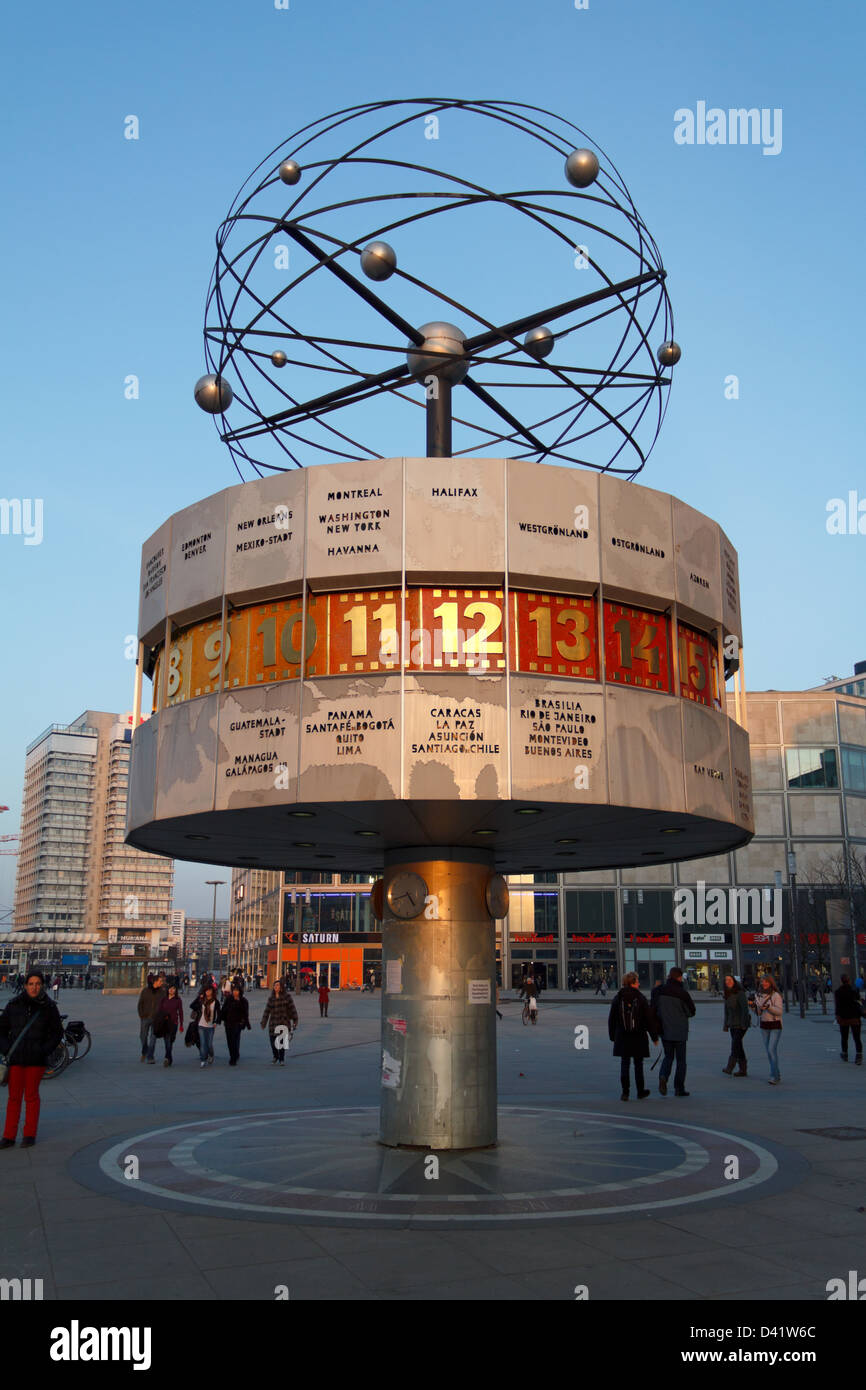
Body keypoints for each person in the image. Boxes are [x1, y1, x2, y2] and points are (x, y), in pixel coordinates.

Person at [0, 971, 64, 1148]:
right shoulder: (14, 1005)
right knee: (13, 1098)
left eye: (37, 984)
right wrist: (6, 1049)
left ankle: (29, 1134)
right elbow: (1, 1030)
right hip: (16, 1059)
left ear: (42, 985)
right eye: (31, 984)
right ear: (25, 985)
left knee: (31, 1097)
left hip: (35, 1060)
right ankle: (9, 1136)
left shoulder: (49, 1007)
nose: (34, 987)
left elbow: (57, 1032)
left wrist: (44, 1050)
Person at [608, 972, 659, 1101]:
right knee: (638, 1064)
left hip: (622, 1035)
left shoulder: (618, 998)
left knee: (624, 1064)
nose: (639, 983)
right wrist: (654, 1037)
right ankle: (640, 1091)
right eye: (637, 981)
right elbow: (648, 1019)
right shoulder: (640, 998)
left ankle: (625, 1092)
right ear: (633, 982)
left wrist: (613, 1036)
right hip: (638, 1035)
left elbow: (612, 1019)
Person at [654, 967, 696, 1097]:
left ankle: (663, 1076)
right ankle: (679, 1088)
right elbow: (691, 1011)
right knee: (681, 1061)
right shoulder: (682, 993)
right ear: (678, 978)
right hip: (680, 1031)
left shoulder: (659, 991)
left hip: (665, 1030)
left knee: (668, 1057)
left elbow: (654, 1009)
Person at [751, 974, 783, 1084]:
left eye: (766, 982)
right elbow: (759, 1013)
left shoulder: (775, 995)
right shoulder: (758, 995)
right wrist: (752, 1007)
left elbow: (779, 1012)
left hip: (775, 1025)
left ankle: (774, 1076)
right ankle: (776, 1073)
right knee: (769, 1052)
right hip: (764, 1025)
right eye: (762, 981)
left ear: (770, 983)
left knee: (771, 1050)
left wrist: (769, 1007)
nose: (764, 983)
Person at [261, 979, 298, 1064]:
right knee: (273, 1042)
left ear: (281, 987)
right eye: (275, 986)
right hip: (273, 1023)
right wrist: (264, 1022)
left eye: (277, 985)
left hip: (283, 1022)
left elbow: (292, 1009)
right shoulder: (271, 998)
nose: (276, 987)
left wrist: (295, 1020)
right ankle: (275, 1056)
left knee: (282, 1042)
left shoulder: (287, 997)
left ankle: (281, 1059)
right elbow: (267, 1011)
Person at [721, 975, 750, 1076]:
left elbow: (745, 1009)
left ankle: (730, 1067)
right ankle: (743, 1070)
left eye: (729, 980)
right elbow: (726, 1011)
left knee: (735, 1044)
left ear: (734, 981)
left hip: (741, 1024)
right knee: (738, 1046)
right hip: (732, 1024)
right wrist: (725, 1024)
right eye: (726, 980)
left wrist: (743, 1023)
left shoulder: (740, 993)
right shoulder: (727, 994)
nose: (727, 981)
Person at [137, 973, 167, 1064]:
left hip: (156, 1018)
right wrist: (142, 1014)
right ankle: (145, 1050)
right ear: (154, 981)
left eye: (162, 981)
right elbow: (140, 1003)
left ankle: (150, 1056)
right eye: (160, 981)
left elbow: (165, 1005)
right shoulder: (145, 991)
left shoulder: (162, 992)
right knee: (143, 1036)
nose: (161, 983)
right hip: (145, 1017)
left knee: (153, 1038)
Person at [190, 984, 222, 1068]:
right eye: (206, 990)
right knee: (203, 1043)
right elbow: (192, 1006)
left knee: (209, 1044)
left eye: (210, 990)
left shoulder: (215, 1001)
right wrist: (198, 998)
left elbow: (219, 1014)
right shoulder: (201, 1000)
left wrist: (216, 1022)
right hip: (201, 1025)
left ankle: (211, 1054)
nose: (208, 992)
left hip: (211, 1026)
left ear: (212, 992)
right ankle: (203, 1060)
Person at [834, 975, 862, 1065]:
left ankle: (845, 1054)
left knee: (844, 1037)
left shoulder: (838, 992)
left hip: (844, 1018)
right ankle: (859, 1056)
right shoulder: (854, 991)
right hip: (854, 1017)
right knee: (857, 1038)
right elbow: (859, 1001)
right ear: (849, 981)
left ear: (841, 981)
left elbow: (838, 1005)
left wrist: (837, 1015)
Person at [222, 983, 251, 1066]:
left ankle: (233, 1058)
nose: (235, 992)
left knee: (235, 1040)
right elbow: (224, 1009)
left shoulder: (243, 1001)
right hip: (228, 1023)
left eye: (237, 991)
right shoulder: (228, 999)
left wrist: (245, 1023)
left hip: (237, 1023)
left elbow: (245, 1013)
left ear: (240, 991)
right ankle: (233, 1054)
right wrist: (220, 1019)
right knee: (229, 1041)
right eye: (234, 990)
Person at [155, 983, 184, 1067]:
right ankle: (169, 1058)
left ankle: (167, 1057)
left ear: (176, 990)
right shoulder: (163, 999)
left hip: (173, 1023)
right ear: (168, 990)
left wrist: (181, 1024)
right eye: (170, 988)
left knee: (170, 1041)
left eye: (173, 988)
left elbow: (181, 1012)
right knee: (166, 1042)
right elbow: (159, 1011)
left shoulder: (178, 1000)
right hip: (164, 1023)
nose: (171, 990)